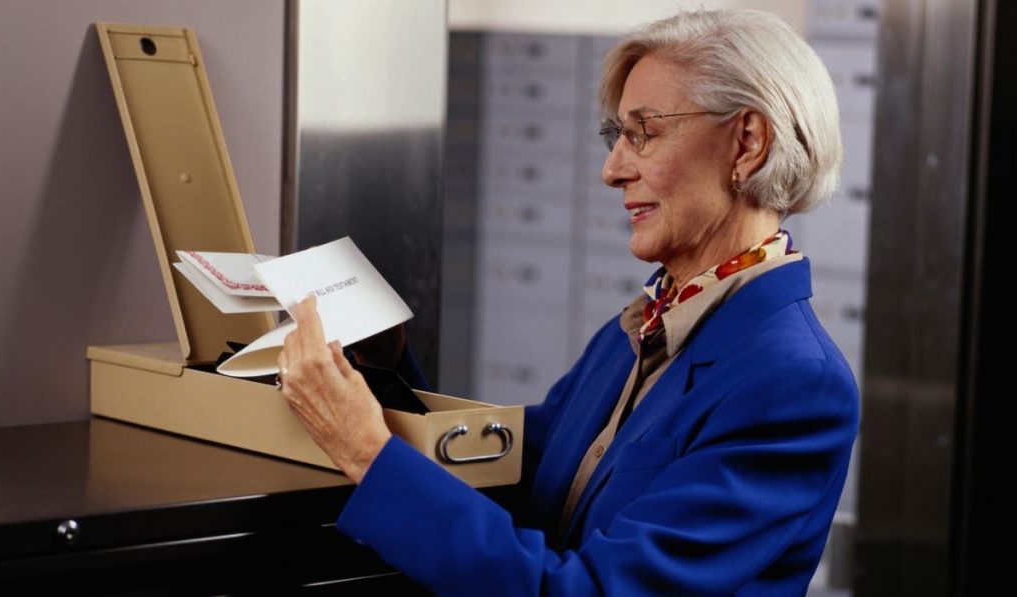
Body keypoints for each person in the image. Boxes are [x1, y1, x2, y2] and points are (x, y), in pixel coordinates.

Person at [277, 9, 859, 595]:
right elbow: (512, 469)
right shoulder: (639, 328)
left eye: (644, 133)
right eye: (616, 137)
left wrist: (368, 454)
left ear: (748, 144)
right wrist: (382, 367)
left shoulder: (794, 384)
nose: (612, 170)